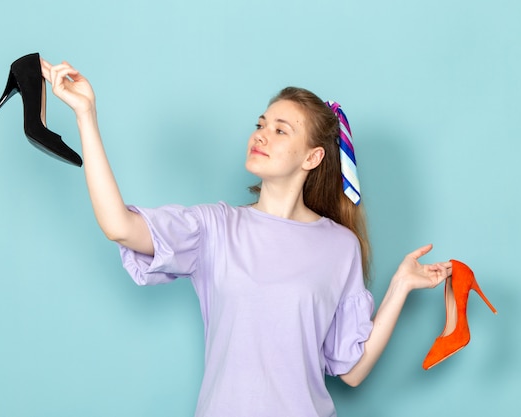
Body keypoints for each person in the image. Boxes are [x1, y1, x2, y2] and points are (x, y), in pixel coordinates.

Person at [40, 58, 452, 417]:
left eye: (280, 130)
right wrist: (86, 116)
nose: (260, 134)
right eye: (260, 124)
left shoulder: (340, 247)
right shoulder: (215, 228)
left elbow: (353, 370)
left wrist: (399, 286)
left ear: (313, 157)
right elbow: (118, 226)